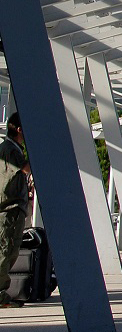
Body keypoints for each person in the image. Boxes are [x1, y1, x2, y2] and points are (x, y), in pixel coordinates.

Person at [0, 114, 31, 308]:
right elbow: (24, 169)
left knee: (8, 251)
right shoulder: (11, 150)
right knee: (6, 251)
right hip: (9, 210)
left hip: (11, 209)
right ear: (19, 129)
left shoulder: (9, 148)